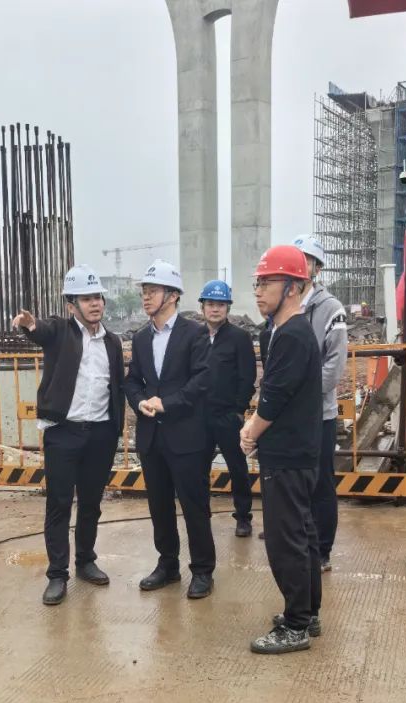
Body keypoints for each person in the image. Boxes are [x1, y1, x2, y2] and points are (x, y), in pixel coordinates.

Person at [13, 264, 125, 606]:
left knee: (91, 502)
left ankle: (85, 560)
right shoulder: (60, 331)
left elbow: (117, 385)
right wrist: (30, 324)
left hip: (101, 433)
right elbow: (41, 331)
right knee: (59, 504)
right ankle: (57, 574)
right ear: (71, 305)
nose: (95, 304)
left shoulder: (113, 342)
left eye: (98, 297)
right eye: (86, 299)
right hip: (64, 433)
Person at [240, 245, 323, 654]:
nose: (258, 291)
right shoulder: (285, 331)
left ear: (292, 287)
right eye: (257, 283)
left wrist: (251, 431)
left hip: (288, 455)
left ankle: (295, 626)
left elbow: (274, 397)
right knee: (302, 534)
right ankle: (308, 613)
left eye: (267, 282)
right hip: (296, 451)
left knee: (285, 539)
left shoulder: (292, 335)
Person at [124, 260, 216, 600]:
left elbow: (202, 381)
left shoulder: (195, 333)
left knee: (194, 506)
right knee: (159, 506)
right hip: (152, 438)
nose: (146, 297)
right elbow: (132, 381)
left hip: (187, 436)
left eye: (153, 291)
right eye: (144, 292)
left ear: (173, 295)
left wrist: (167, 403)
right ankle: (167, 565)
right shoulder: (141, 338)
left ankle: (202, 570)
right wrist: (140, 402)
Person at [258, 235, 347, 574]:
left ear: (317, 268)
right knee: (292, 488)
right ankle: (294, 533)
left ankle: (321, 548)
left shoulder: (331, 309)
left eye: (307, 259)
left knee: (320, 483)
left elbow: (333, 367)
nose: (300, 263)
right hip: (286, 417)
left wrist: (300, 397)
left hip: (318, 414)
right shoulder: (278, 309)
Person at [198, 279, 257, 537]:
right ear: (202, 307)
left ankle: (243, 517)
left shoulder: (239, 338)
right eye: (210, 304)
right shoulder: (195, 337)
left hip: (227, 416)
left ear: (228, 308)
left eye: (220, 304)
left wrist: (237, 410)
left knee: (237, 468)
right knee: (198, 468)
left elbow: (247, 377)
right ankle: (201, 513)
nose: (215, 309)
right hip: (199, 416)